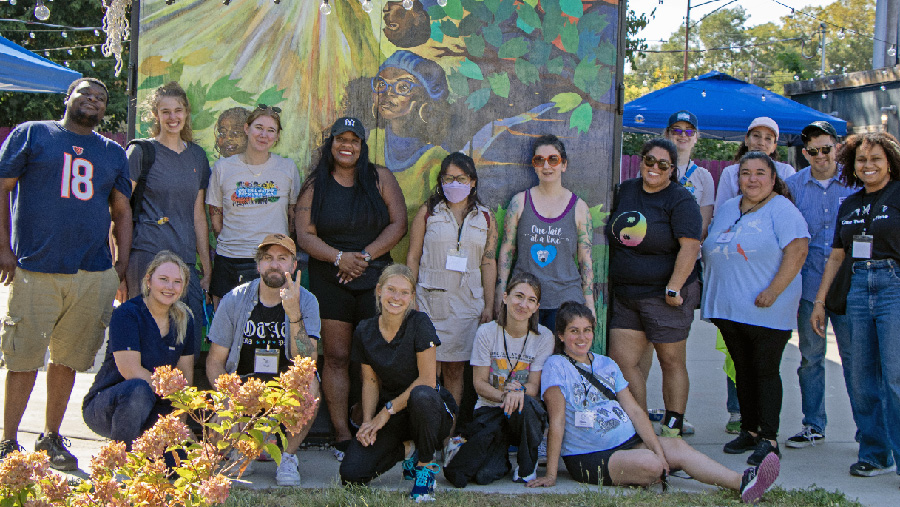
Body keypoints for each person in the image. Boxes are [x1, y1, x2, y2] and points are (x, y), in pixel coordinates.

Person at [0, 78, 132, 469]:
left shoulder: (112, 152)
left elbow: (122, 211)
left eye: (101, 98)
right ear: (67, 98)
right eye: (85, 94)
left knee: (68, 359)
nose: (92, 100)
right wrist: (3, 248)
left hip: (91, 272)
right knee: (23, 358)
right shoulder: (33, 134)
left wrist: (120, 266)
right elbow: (3, 187)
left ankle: (50, 437)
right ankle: (8, 441)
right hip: (35, 268)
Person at [526, 302, 780, 505]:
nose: (582, 337)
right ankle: (661, 466)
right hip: (589, 456)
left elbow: (635, 411)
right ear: (560, 335)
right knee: (652, 464)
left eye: (587, 330)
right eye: (574, 331)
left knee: (675, 447)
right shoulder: (555, 366)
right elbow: (557, 421)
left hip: (627, 441)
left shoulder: (606, 364)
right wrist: (551, 473)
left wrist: (658, 448)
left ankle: (744, 482)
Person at [295, 117, 406, 459]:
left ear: (363, 145)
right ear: (331, 145)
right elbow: (304, 234)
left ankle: (369, 423)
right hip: (331, 278)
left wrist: (364, 256)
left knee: (375, 357)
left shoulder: (380, 178)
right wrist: (339, 258)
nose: (347, 146)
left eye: (354, 140)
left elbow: (399, 222)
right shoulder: (316, 184)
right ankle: (342, 434)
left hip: (376, 279)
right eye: (340, 139)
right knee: (338, 357)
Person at [703, 152, 809, 466]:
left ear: (773, 178)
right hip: (729, 308)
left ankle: (769, 438)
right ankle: (749, 430)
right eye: (746, 173)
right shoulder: (727, 208)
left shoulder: (782, 209)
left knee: (764, 370)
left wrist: (773, 291)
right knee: (743, 370)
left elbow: (798, 250)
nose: (752, 179)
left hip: (767, 307)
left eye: (760, 172)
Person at [810, 132, 900, 478]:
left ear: (889, 161)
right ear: (852, 165)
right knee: (862, 378)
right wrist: (820, 302)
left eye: (876, 159)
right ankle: (876, 454)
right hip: (857, 288)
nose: (868, 165)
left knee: (895, 377)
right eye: (862, 160)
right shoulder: (848, 204)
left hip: (893, 284)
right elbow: (836, 256)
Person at [205, 234, 321, 486]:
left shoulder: (307, 301)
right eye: (268, 258)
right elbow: (215, 361)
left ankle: (288, 457)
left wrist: (293, 314)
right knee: (218, 430)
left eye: (282, 259)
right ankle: (240, 451)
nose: (274, 265)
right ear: (258, 266)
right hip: (244, 386)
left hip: (284, 388)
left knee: (310, 384)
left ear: (293, 266)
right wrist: (227, 396)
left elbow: (307, 360)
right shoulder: (234, 300)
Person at [606, 138, 702, 437]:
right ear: (641, 161)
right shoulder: (626, 191)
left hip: (665, 296)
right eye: (650, 161)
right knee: (624, 363)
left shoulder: (680, 199)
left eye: (663, 164)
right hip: (626, 294)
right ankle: (641, 427)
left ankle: (673, 428)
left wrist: (674, 288)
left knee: (670, 360)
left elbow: (690, 246)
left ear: (672, 169)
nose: (655, 168)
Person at [339, 264, 458, 503]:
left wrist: (384, 413)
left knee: (421, 396)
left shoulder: (420, 323)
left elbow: (427, 380)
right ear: (379, 291)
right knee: (351, 474)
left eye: (404, 292)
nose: (397, 297)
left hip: (430, 410)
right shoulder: (365, 330)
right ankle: (409, 450)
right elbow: (370, 381)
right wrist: (367, 424)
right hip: (394, 415)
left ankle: (425, 469)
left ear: (412, 298)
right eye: (391, 290)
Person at [783, 121, 858, 450]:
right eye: (813, 151)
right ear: (805, 153)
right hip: (809, 286)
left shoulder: (856, 182)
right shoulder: (794, 185)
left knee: (857, 361)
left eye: (826, 149)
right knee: (811, 358)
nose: (820, 156)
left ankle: (869, 434)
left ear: (837, 147)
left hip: (850, 287)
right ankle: (813, 424)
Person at [123, 82, 211, 353]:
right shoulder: (140, 152)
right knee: (144, 339)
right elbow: (119, 210)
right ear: (155, 115)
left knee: (186, 342)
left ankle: (178, 396)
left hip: (184, 261)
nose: (173, 117)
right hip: (146, 257)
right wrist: (120, 267)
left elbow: (198, 215)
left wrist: (206, 269)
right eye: (165, 111)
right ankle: (138, 394)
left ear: (186, 113)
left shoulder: (197, 155)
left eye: (178, 110)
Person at [444, 272, 553, 486]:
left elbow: (534, 386)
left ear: (537, 306)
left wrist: (517, 393)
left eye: (531, 300)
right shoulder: (487, 332)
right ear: (505, 297)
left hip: (523, 411)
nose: (523, 304)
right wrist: (506, 394)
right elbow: (479, 383)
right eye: (518, 296)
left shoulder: (544, 336)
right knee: (482, 475)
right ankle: (499, 459)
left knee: (529, 404)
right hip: (490, 410)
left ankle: (526, 467)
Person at [406, 152, 497, 406]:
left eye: (461, 178)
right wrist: (410, 297)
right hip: (429, 303)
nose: (454, 184)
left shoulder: (486, 218)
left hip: (467, 306)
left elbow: (488, 262)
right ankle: (428, 435)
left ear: (473, 181)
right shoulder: (428, 212)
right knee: (428, 373)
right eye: (448, 178)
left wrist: (489, 305)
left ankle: (449, 437)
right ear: (440, 181)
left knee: (455, 371)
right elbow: (413, 257)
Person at [82, 252, 196, 448]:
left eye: (177, 282)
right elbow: (131, 371)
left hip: (157, 403)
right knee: (138, 389)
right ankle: (121, 458)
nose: (170, 287)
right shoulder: (127, 314)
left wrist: (179, 426)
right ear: (148, 281)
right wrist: (170, 390)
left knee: (175, 467)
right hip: (109, 405)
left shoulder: (185, 319)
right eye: (163, 279)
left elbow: (184, 377)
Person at [206, 104, 301, 307]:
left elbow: (293, 215)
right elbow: (215, 214)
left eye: (271, 130)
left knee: (268, 329)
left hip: (272, 262)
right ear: (247, 128)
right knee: (227, 328)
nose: (263, 135)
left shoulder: (287, 168)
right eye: (259, 127)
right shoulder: (223, 168)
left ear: (277, 137)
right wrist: (233, 240)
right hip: (230, 260)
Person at [496, 134, 594, 331]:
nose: (546, 166)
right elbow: (507, 250)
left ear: (563, 164)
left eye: (553, 159)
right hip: (524, 302)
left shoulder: (579, 207)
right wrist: (501, 291)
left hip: (566, 302)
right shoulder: (520, 202)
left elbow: (586, 260)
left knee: (561, 360)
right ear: (534, 165)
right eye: (539, 160)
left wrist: (589, 302)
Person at [369, 50, 450, 218]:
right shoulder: (369, 143)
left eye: (403, 87)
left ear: (424, 99)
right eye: (381, 84)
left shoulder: (435, 160)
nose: (387, 94)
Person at [714, 117, 796, 211]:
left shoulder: (785, 171)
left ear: (774, 146)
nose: (761, 143)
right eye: (756, 136)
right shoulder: (730, 173)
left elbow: (791, 210)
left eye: (768, 138)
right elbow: (721, 212)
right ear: (746, 140)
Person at [664, 110, 715, 237]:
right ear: (667, 134)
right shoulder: (653, 170)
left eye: (689, 131)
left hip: (689, 249)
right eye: (676, 130)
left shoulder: (704, 176)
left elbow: (704, 224)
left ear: (696, 137)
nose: (683, 135)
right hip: (657, 251)